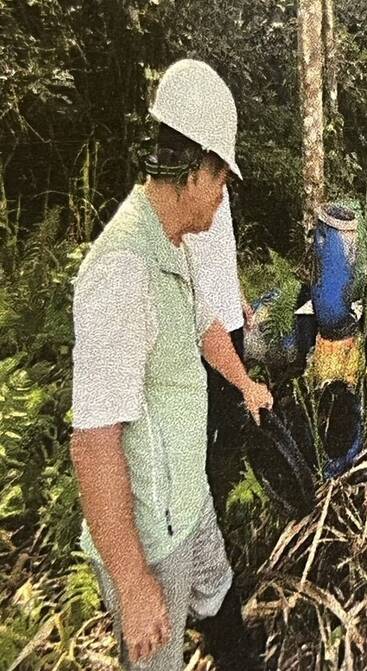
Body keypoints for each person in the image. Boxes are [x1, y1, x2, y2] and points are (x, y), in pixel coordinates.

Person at [70, 59, 270, 670]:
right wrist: (133, 586)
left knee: (218, 589)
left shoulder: (173, 247)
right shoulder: (122, 272)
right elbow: (94, 443)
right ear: (192, 170)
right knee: (159, 657)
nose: (223, 194)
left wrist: (245, 383)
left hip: (189, 501)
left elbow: (205, 325)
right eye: (222, 180)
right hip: (151, 537)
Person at [184, 188, 255, 519]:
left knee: (230, 415)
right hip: (202, 327)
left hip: (230, 318)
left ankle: (225, 505)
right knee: (202, 420)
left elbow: (224, 250)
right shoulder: (180, 186)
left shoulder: (222, 186)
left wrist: (239, 297)